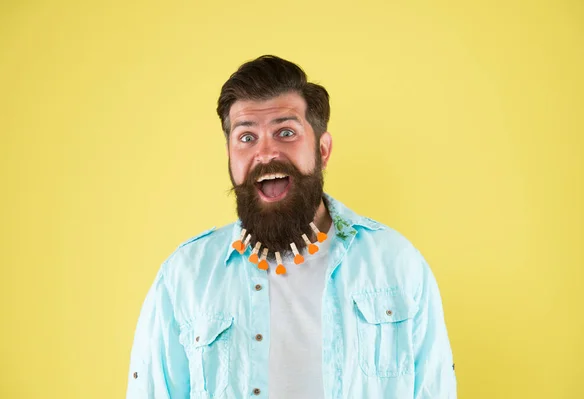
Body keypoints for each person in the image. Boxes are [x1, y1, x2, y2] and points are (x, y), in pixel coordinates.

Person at [126, 55, 457, 399]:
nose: (266, 152)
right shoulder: (185, 276)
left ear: (323, 149)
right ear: (229, 155)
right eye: (246, 137)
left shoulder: (397, 264)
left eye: (286, 132)